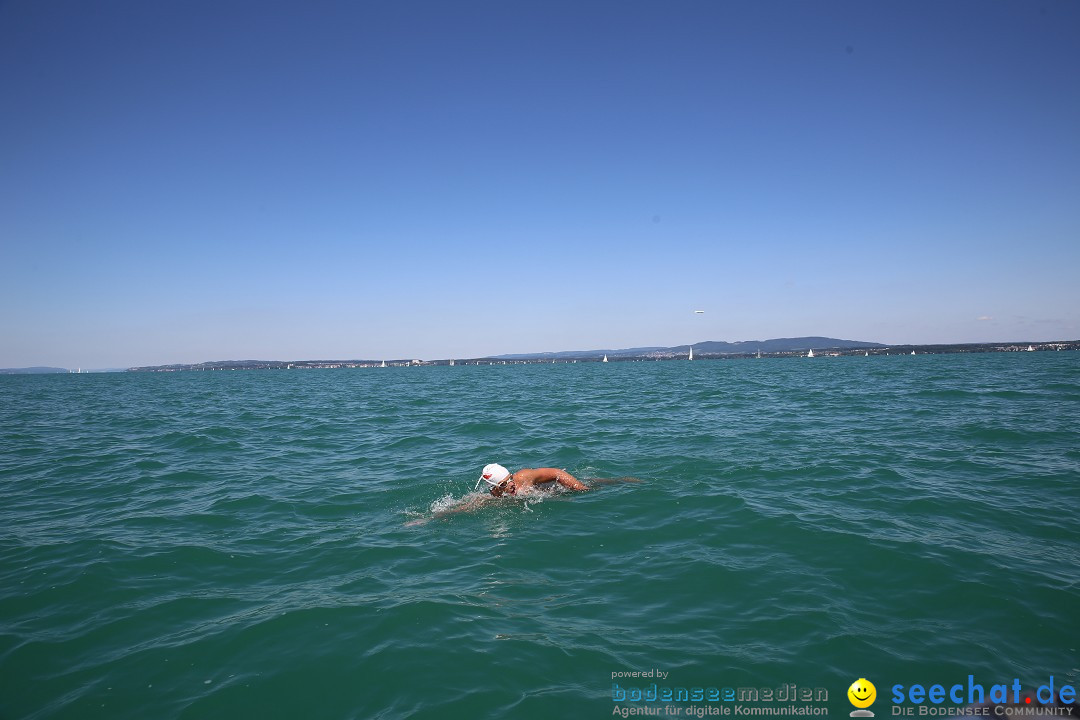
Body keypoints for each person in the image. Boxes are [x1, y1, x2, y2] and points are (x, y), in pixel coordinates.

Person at [476, 463, 588, 497]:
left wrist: (579, 487)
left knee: (590, 488)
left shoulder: (524, 477)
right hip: (548, 493)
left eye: (510, 478)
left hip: (556, 485)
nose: (511, 484)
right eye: (504, 484)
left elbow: (556, 473)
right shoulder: (495, 495)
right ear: (495, 487)